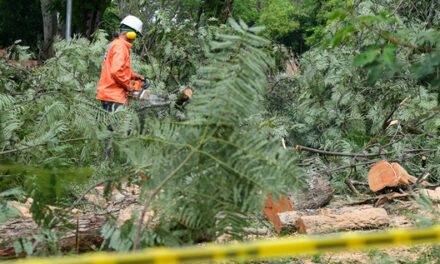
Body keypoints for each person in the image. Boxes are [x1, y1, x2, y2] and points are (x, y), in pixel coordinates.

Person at [96, 15, 145, 113]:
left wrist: (135, 76)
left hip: (108, 94)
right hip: (114, 96)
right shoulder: (121, 47)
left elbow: (117, 68)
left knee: (110, 127)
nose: (135, 39)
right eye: (136, 35)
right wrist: (128, 86)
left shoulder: (114, 44)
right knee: (120, 128)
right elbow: (116, 71)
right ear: (131, 34)